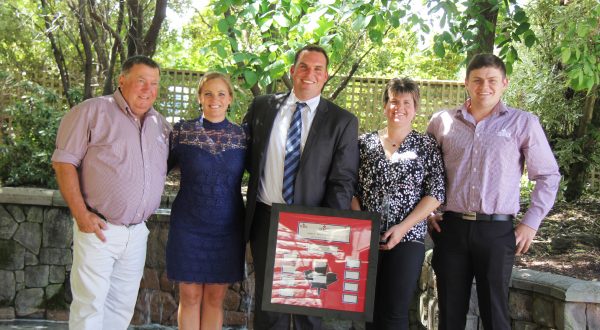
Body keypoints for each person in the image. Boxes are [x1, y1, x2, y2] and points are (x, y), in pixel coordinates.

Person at [426, 53, 561, 329]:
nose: (483, 87)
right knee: (448, 314)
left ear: (504, 83)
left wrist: (531, 224)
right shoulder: (442, 122)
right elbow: (425, 173)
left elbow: (548, 175)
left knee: (495, 315)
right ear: (466, 83)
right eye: (477, 80)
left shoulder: (523, 123)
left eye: (491, 80)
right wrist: (427, 214)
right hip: (450, 229)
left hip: (497, 232)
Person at [243, 44, 359, 330]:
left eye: (318, 69)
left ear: (326, 76)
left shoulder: (342, 121)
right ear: (293, 71)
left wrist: (328, 233)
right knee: (269, 307)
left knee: (310, 308)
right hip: (266, 220)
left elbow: (342, 180)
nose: (310, 74)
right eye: (304, 66)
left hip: (314, 225)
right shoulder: (263, 107)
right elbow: (242, 157)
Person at [51, 55, 170, 329]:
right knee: (89, 306)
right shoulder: (92, 112)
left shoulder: (159, 125)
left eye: (154, 83)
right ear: (122, 80)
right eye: (141, 81)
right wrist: (81, 215)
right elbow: (63, 162)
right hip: (99, 228)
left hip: (137, 232)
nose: (147, 89)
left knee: (121, 308)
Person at [351, 78, 446, 330]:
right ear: (385, 106)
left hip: (407, 239)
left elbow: (435, 193)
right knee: (369, 313)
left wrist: (403, 227)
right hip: (366, 239)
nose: (399, 108)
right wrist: (364, 228)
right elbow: (351, 189)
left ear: (415, 109)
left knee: (394, 313)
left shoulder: (426, 146)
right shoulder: (364, 144)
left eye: (407, 102)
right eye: (394, 101)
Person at [165, 72, 246, 330]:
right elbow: (157, 170)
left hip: (227, 229)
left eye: (221, 93)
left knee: (215, 298)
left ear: (230, 99)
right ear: (200, 97)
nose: (215, 99)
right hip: (188, 226)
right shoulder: (182, 132)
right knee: (189, 297)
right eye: (208, 93)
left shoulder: (243, 137)